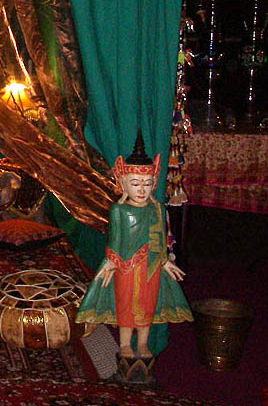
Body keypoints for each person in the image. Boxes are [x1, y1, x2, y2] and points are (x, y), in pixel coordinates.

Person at [76, 131, 192, 365]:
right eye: (136, 184)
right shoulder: (119, 210)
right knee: (126, 304)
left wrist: (164, 261)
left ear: (154, 184)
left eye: (147, 184)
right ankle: (125, 344)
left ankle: (143, 343)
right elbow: (115, 240)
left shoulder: (156, 209)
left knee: (147, 304)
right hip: (125, 266)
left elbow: (159, 238)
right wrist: (110, 262)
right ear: (124, 185)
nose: (141, 190)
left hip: (150, 265)